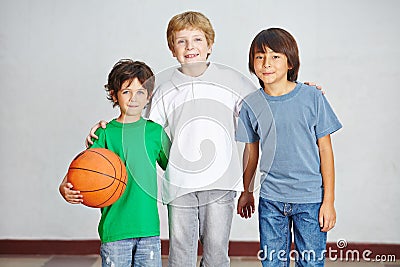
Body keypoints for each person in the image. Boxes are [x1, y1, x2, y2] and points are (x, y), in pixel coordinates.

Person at [236, 28, 342, 267]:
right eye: (259, 57)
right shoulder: (251, 105)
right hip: (271, 199)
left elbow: (325, 151)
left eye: (275, 56)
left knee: (311, 263)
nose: (266, 63)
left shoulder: (312, 97)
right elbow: (251, 152)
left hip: (311, 200)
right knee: (272, 263)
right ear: (252, 63)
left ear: (290, 62)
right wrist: (247, 190)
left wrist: (329, 201)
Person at [59, 59, 170, 267]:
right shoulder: (104, 133)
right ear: (114, 94)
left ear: (149, 96)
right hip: (115, 230)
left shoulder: (156, 133)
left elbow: (175, 167)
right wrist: (64, 186)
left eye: (140, 92)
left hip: (149, 229)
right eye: (127, 91)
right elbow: (82, 168)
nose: (134, 98)